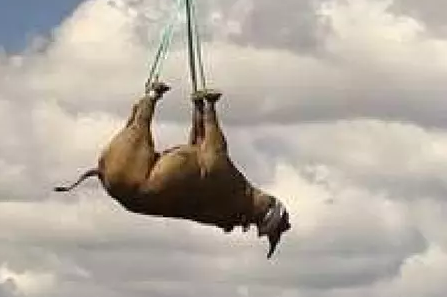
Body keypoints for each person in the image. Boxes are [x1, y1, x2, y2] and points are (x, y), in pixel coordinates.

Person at [55, 79, 292, 257]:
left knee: (139, 130)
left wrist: (209, 108)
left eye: (269, 203)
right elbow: (201, 150)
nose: (267, 196)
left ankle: (150, 97)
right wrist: (199, 110)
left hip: (137, 179)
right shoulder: (223, 208)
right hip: (131, 188)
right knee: (140, 135)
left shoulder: (232, 192)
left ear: (262, 211)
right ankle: (149, 98)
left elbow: (213, 153)